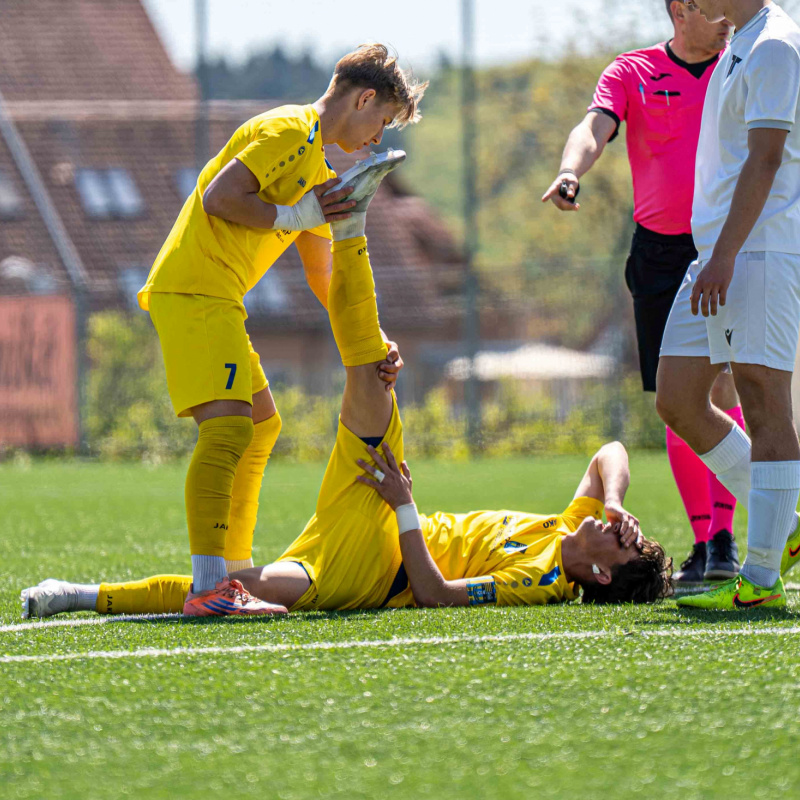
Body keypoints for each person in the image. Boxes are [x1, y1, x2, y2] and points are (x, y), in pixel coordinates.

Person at [22, 202, 673, 619]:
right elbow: (609, 453)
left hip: (377, 566)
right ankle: (346, 225)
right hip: (375, 515)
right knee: (369, 377)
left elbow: (435, 594)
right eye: (626, 528)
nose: (618, 526)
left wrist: (404, 506)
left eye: (620, 542)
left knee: (237, 585)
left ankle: (75, 595)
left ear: (598, 574)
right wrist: (616, 500)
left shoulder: (544, 580)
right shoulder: (577, 525)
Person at [135, 44, 426, 616]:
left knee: (261, 424)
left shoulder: (317, 165)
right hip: (195, 290)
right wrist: (295, 215)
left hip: (215, 297)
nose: (377, 138)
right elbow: (220, 198)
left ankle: (232, 575)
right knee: (227, 430)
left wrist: (376, 340)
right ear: (364, 98)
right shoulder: (291, 130)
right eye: (383, 121)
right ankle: (210, 588)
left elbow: (324, 278)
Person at [542, 1, 743, 586]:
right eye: (713, 5)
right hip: (659, 253)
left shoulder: (744, 61)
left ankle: (726, 539)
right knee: (676, 397)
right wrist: (570, 171)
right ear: (680, 9)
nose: (727, 15)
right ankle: (702, 541)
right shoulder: (632, 71)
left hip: (728, 244)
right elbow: (593, 128)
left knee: (726, 384)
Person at [654, 0, 800, 609]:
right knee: (678, 397)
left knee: (766, 405)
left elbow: (767, 158)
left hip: (755, 253)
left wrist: (726, 255)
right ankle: (790, 518)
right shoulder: (739, 40)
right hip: (719, 254)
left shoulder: (775, 45)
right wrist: (715, 254)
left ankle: (761, 579)